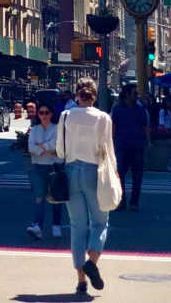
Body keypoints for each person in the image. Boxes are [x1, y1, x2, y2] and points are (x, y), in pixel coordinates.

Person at [57, 78, 113, 297]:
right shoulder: (103, 118)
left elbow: (60, 151)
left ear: (76, 94)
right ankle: (93, 261)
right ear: (95, 95)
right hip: (94, 172)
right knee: (100, 222)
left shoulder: (66, 116)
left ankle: (81, 280)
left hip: (71, 171)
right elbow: (108, 150)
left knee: (77, 226)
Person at [26, 104, 64, 239]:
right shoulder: (34, 129)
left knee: (56, 197)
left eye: (47, 113)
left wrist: (42, 146)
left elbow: (57, 144)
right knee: (39, 197)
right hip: (38, 166)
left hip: (54, 166)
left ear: (51, 114)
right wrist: (47, 149)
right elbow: (31, 148)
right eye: (41, 113)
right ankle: (37, 226)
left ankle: (56, 225)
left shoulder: (57, 128)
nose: (44, 115)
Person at [110, 83, 149, 211]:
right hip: (122, 146)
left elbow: (145, 127)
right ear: (127, 94)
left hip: (137, 146)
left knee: (137, 177)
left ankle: (134, 202)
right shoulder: (117, 109)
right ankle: (121, 201)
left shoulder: (140, 109)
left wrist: (148, 142)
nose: (136, 96)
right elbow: (113, 128)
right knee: (119, 175)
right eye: (134, 93)